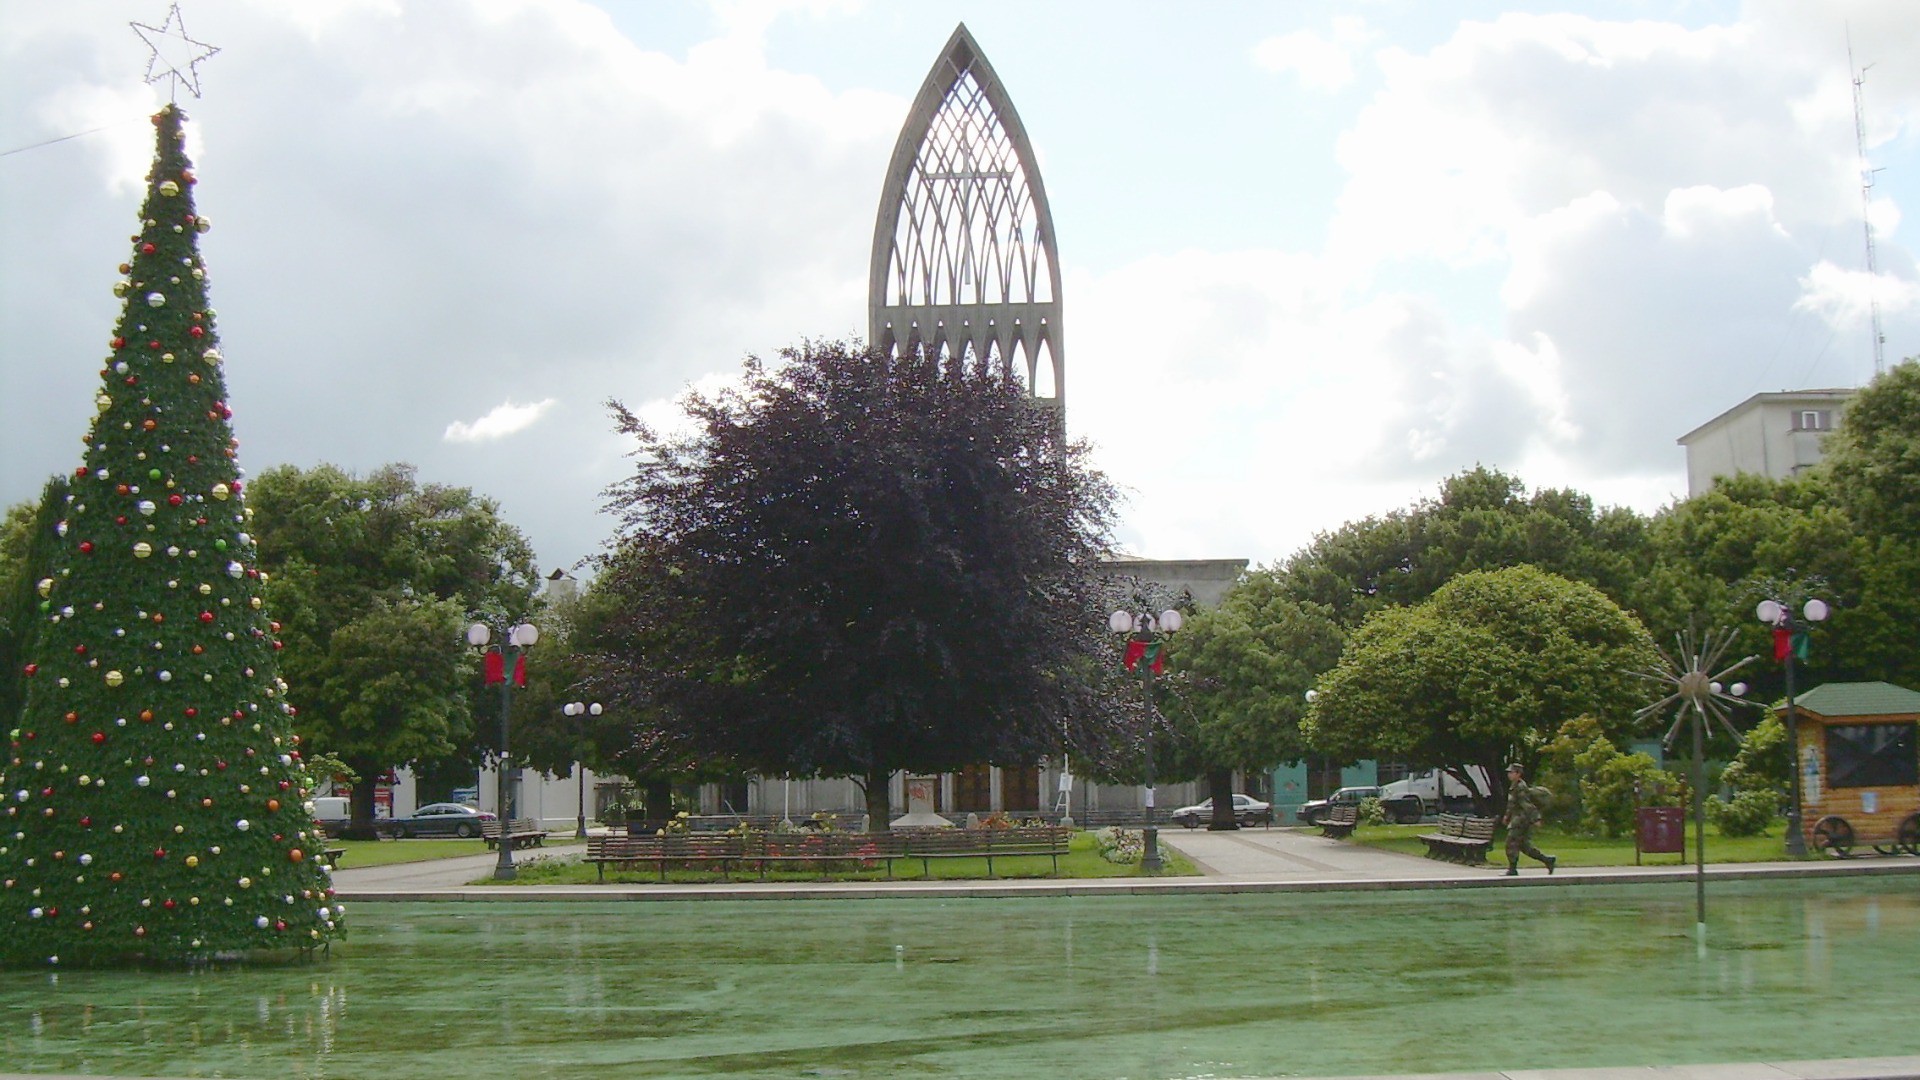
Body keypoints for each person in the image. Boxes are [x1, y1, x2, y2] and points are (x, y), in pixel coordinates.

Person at [1502, 762, 1556, 876]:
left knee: (1511, 842)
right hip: (1517, 819)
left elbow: (1527, 805)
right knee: (1524, 846)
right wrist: (1507, 816)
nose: (1509, 775)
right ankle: (1547, 860)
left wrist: (1536, 818)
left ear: (1518, 774)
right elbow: (1512, 804)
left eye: (1511, 772)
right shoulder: (1514, 786)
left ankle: (1512, 869)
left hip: (1521, 820)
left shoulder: (1520, 787)